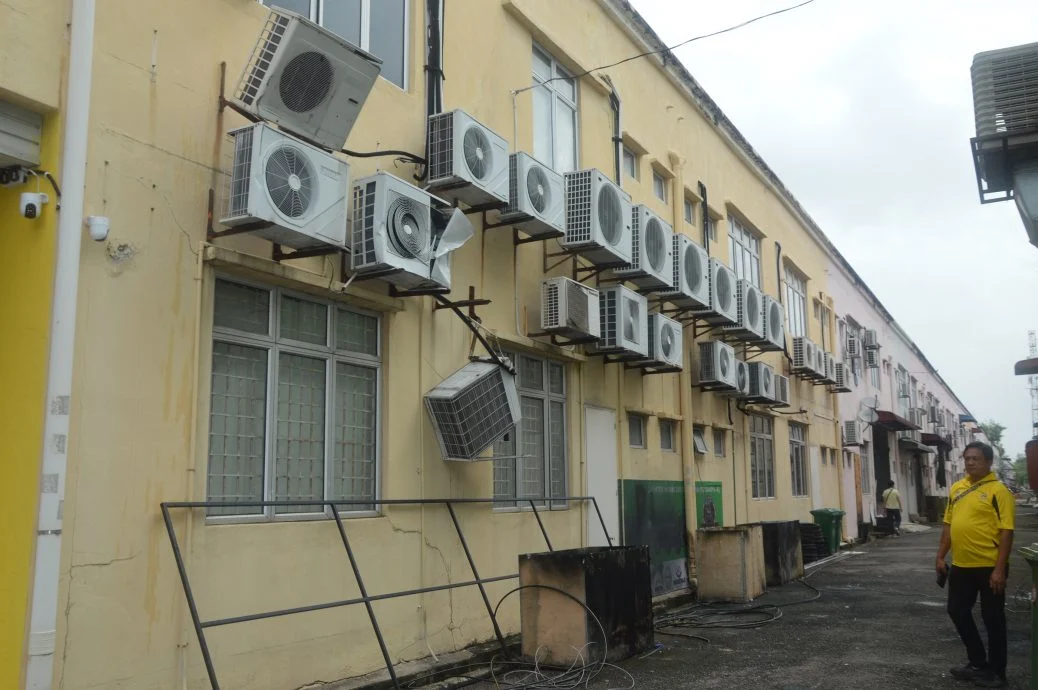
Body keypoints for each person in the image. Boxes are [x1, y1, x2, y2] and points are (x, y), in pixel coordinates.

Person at [936, 441, 1015, 688]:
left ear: (989, 462)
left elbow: (1006, 531)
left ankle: (997, 673)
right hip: (961, 564)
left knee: (993, 619)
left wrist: (1000, 569)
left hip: (990, 565)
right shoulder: (957, 488)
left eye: (976, 459)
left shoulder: (998, 491)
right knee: (957, 610)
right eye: (967, 458)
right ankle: (978, 663)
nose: (970, 463)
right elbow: (949, 525)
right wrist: (940, 556)